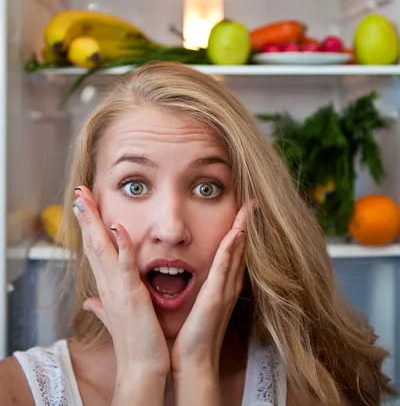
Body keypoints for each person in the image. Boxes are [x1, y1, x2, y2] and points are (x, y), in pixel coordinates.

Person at [0, 61, 396, 406]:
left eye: (207, 188)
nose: (171, 230)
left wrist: (196, 374)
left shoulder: (314, 391)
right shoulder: (14, 391)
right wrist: (141, 375)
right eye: (135, 185)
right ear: (90, 209)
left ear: (250, 211)